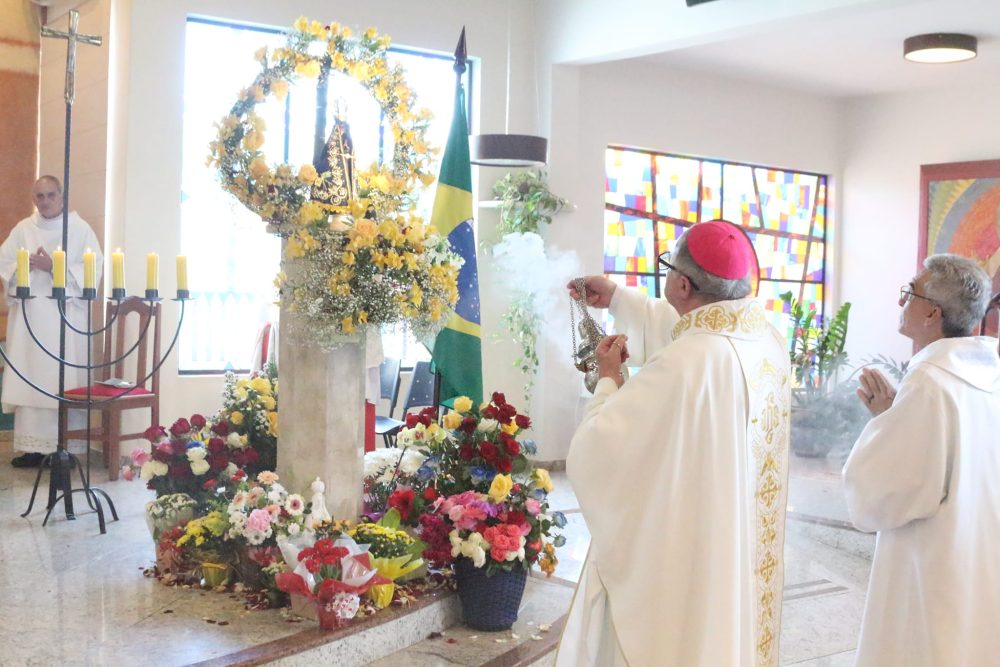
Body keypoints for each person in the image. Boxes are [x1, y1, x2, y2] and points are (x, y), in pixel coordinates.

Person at [556, 220, 792, 667]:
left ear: (682, 284)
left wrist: (609, 381)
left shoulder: (687, 363)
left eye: (666, 267)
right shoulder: (766, 340)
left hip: (693, 549)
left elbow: (597, 452)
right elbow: (693, 328)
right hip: (737, 543)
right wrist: (619, 299)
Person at [842, 254, 1000, 667]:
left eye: (909, 293)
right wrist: (897, 420)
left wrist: (888, 426)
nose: (901, 303)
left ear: (932, 313)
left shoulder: (931, 381)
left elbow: (887, 491)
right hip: (976, 552)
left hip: (930, 562)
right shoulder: (988, 371)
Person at [0, 176, 102, 466]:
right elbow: (5, 262)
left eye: (50, 195)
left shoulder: (80, 229)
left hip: (65, 318)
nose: (44, 201)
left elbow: (92, 267)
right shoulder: (23, 229)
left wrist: (54, 266)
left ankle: (65, 449)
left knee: (63, 380)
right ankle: (33, 449)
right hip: (31, 318)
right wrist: (26, 267)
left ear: (62, 196)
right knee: (32, 377)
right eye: (39, 196)